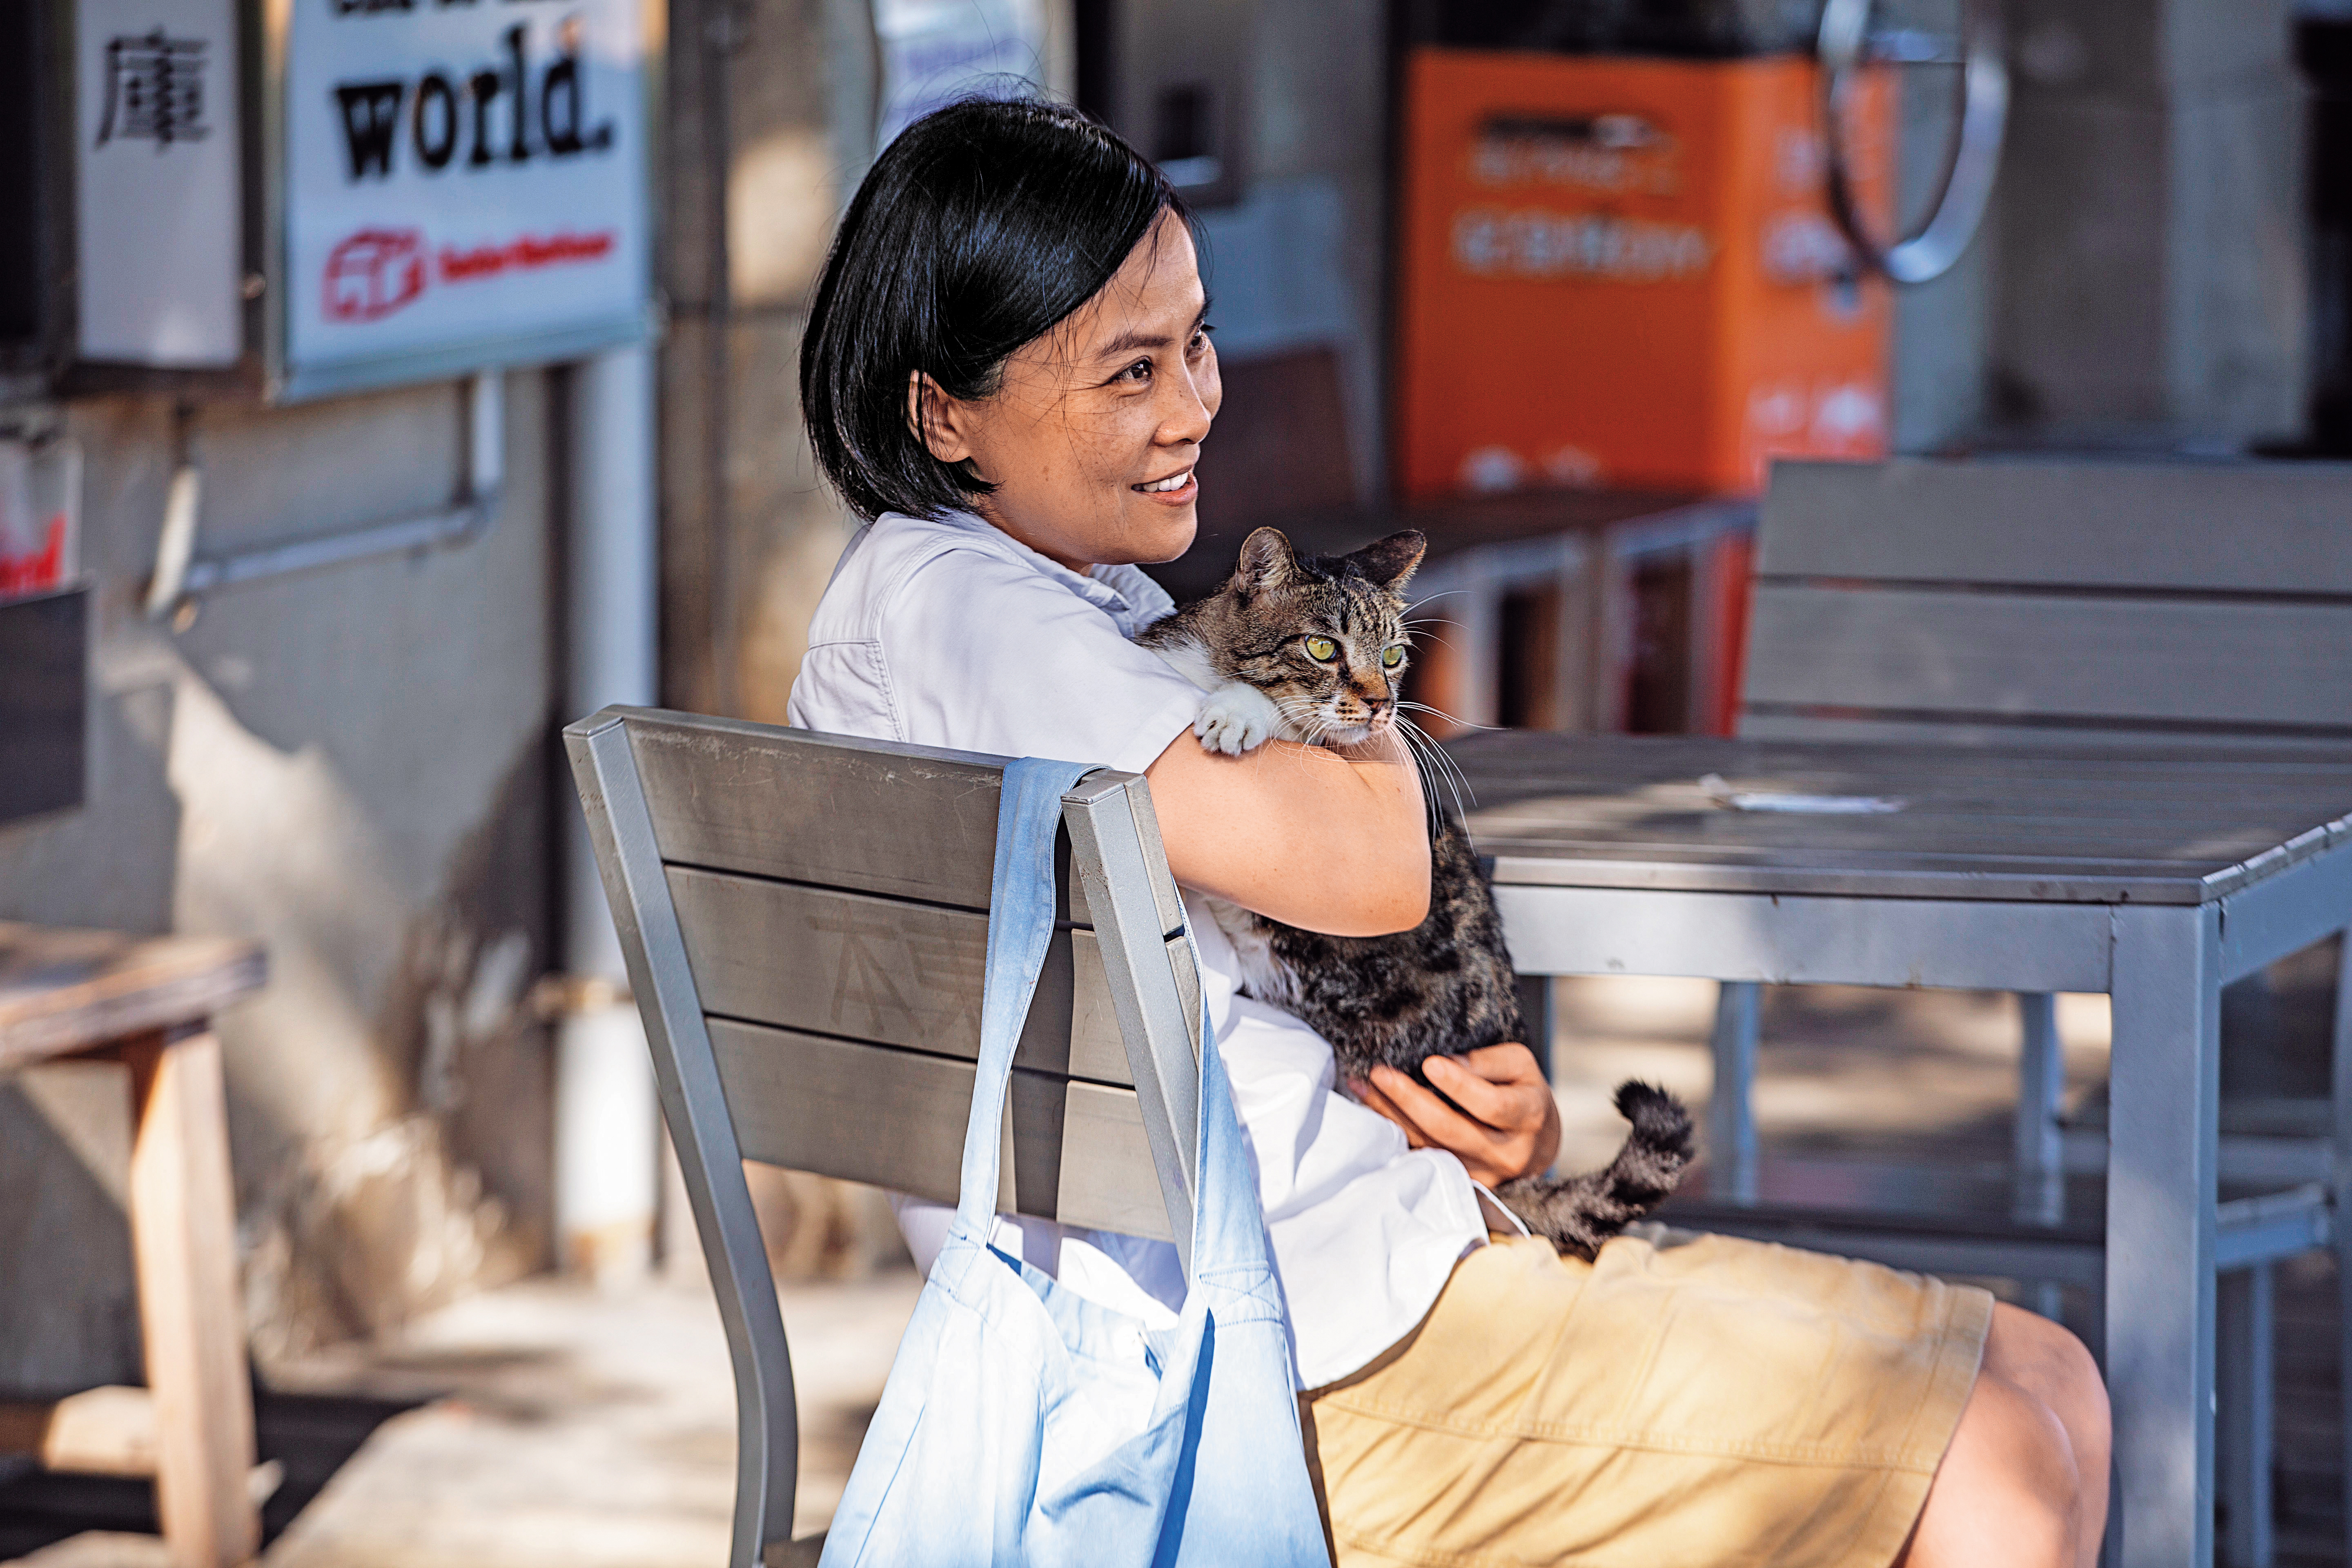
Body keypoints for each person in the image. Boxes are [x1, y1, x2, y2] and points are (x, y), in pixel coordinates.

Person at [787, 96, 2110, 1568]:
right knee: (1996, 1458)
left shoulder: (1071, 607)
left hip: (1366, 1271)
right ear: (943, 415)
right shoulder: (968, 612)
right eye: (1130, 372)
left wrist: (1455, 1118)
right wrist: (1362, 689)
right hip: (1278, 1366)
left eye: (1197, 344)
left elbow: (1267, 969)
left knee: (2049, 1379)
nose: (1194, 407)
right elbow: (1369, 872)